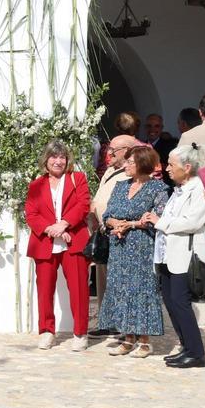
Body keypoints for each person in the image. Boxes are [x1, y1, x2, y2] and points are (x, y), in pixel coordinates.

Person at [143, 142, 205, 368]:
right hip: (167, 254)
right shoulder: (178, 189)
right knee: (171, 301)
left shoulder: (199, 189)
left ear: (188, 167)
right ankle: (186, 346)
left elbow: (192, 221)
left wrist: (159, 221)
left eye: (172, 165)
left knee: (181, 302)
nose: (167, 169)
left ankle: (196, 352)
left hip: (185, 254)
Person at [96, 145, 169, 358]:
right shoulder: (120, 186)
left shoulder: (158, 189)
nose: (125, 165)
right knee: (121, 289)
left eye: (130, 162)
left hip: (142, 247)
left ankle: (144, 341)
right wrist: (114, 223)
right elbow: (107, 213)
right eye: (126, 161)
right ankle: (127, 338)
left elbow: (157, 218)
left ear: (143, 164)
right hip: (119, 246)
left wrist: (131, 225)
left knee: (142, 290)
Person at [24, 140, 92, 351]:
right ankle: (46, 331)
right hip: (45, 243)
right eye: (54, 157)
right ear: (46, 160)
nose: (58, 161)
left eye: (62, 157)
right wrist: (51, 229)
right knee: (44, 290)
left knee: (79, 289)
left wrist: (64, 224)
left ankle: (80, 333)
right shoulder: (36, 185)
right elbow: (31, 213)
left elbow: (84, 204)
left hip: (74, 241)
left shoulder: (77, 179)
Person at [88, 135, 141, 331]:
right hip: (103, 231)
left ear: (127, 150)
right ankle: (107, 321)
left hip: (121, 233)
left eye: (114, 150)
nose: (109, 153)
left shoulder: (133, 171)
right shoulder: (110, 170)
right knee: (104, 280)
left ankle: (122, 325)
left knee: (120, 280)